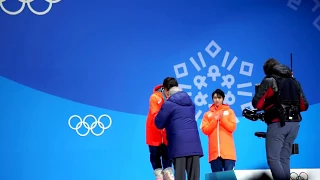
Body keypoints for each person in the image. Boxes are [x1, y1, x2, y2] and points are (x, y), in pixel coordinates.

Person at [252, 58, 309, 180]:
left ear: (267, 71)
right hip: (294, 125)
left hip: (278, 124)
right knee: (284, 158)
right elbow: (304, 106)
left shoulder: (269, 80)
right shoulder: (295, 82)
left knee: (273, 158)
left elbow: (257, 104)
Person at [155, 86, 203, 180]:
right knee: (194, 177)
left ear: (169, 94)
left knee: (180, 177)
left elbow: (158, 123)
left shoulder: (169, 104)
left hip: (178, 145)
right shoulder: (191, 104)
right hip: (194, 146)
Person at [146, 77, 178, 180]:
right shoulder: (154, 97)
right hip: (154, 133)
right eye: (168, 90)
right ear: (164, 88)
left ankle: (168, 172)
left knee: (167, 155)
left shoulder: (175, 99)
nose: (170, 93)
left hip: (167, 134)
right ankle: (158, 174)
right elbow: (156, 116)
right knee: (154, 155)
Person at [200, 89, 237, 172]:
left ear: (223, 98)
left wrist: (222, 118)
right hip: (214, 154)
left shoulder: (230, 112)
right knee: (217, 177)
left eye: (219, 98)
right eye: (215, 98)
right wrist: (215, 119)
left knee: (229, 177)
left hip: (228, 153)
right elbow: (205, 130)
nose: (217, 100)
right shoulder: (207, 114)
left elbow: (232, 127)